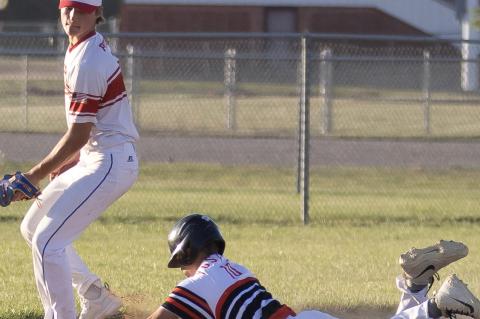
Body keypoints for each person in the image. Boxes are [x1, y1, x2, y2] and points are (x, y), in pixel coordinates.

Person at [16, 0, 139, 318]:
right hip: (96, 155)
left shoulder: (87, 61)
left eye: (81, 10)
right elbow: (88, 131)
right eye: (67, 8)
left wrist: (35, 175)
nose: (72, 16)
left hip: (110, 161)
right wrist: (67, 162)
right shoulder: (81, 47)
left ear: (97, 13)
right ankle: (96, 296)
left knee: (47, 242)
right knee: (32, 228)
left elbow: (78, 135)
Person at [147, 214, 480, 319]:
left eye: (181, 265)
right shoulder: (236, 268)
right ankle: (417, 284)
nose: (182, 273)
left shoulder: (197, 283)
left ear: (186, 253)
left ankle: (436, 304)